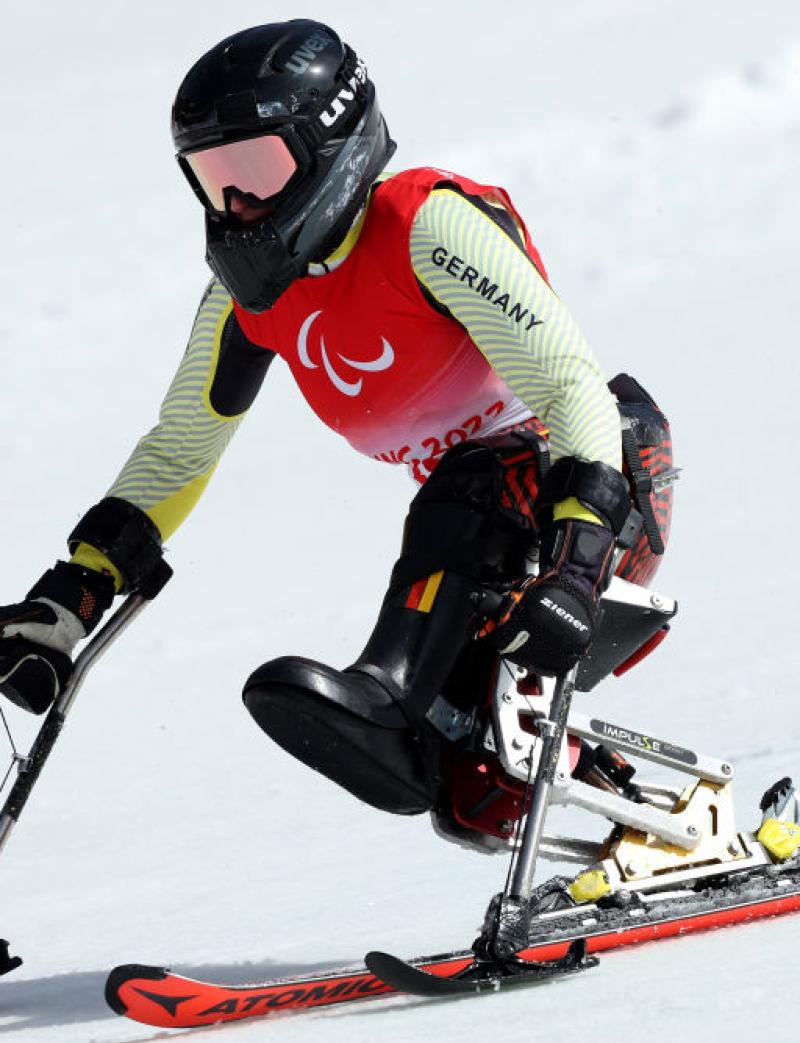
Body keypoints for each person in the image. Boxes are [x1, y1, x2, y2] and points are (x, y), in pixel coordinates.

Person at [0, 20, 651, 817]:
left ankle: (391, 690)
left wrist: (579, 568)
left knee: (469, 490)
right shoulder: (254, 302)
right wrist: (76, 594)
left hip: (602, 483)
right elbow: (179, 450)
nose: (235, 203)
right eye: (213, 178)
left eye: (256, 169)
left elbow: (573, 389)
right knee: (469, 785)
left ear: (330, 141)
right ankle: (653, 831)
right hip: (483, 541)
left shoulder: (425, 226)